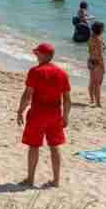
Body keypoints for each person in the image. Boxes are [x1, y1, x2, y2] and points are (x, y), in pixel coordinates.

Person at [17, 42, 71, 188]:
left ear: (45, 55)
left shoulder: (35, 72)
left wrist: (20, 111)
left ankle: (30, 179)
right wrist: (65, 117)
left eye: (38, 53)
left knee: (34, 146)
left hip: (38, 113)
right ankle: (56, 180)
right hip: (55, 113)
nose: (36, 55)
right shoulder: (62, 73)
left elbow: (28, 95)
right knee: (55, 146)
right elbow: (67, 99)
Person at [87, 22, 106, 107]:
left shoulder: (91, 38)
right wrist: (103, 66)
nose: (103, 29)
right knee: (98, 83)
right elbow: (100, 54)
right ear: (100, 29)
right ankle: (98, 103)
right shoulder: (98, 39)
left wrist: (103, 46)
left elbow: (90, 50)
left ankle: (92, 100)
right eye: (103, 28)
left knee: (92, 82)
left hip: (91, 61)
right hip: (98, 62)